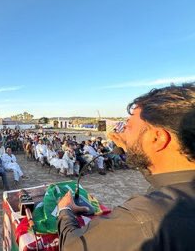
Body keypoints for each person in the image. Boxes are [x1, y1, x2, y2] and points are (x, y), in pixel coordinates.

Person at [57, 83, 195, 250]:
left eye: (128, 127)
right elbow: (160, 171)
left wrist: (64, 210)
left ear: (157, 138)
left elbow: (72, 247)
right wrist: (134, 148)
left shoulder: (143, 219)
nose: (122, 134)